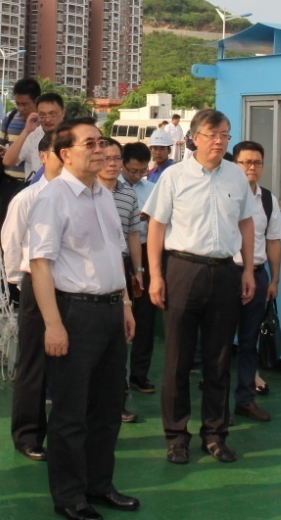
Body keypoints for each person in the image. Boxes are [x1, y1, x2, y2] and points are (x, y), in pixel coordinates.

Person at [29, 118, 140, 520]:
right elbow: (40, 264)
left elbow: (114, 253)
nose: (99, 150)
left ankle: (99, 483)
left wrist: (125, 304)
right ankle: (70, 496)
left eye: (100, 142)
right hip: (75, 313)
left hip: (110, 311)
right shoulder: (53, 198)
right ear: (66, 153)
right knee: (70, 413)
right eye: (89, 144)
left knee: (107, 409)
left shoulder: (104, 196)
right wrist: (53, 324)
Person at [143, 109, 256, 465]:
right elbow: (157, 227)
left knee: (219, 359)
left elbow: (247, 223)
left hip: (224, 272)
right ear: (193, 138)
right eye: (212, 134)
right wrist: (156, 275)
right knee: (177, 359)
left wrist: (248, 270)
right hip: (183, 270)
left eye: (224, 135)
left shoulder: (236, 176)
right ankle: (176, 436)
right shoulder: (174, 176)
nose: (219, 141)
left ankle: (215, 434)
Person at [5, 132, 62, 461]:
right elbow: (11, 242)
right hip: (34, 283)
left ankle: (64, 433)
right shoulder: (28, 197)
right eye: (58, 152)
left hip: (70, 287)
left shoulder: (80, 196)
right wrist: (19, 283)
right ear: (43, 156)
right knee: (34, 364)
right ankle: (28, 434)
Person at [229, 141, 281, 423]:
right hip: (227, 274)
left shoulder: (268, 200)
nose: (252, 167)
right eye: (245, 162)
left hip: (258, 276)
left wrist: (275, 280)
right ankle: (216, 405)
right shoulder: (225, 194)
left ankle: (245, 399)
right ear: (234, 164)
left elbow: (273, 241)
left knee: (250, 341)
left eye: (257, 162)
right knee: (219, 341)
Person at [96, 137, 144, 424]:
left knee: (121, 336)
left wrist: (138, 271)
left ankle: (118, 399)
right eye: (106, 158)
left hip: (122, 267)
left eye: (116, 159)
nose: (112, 164)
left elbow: (134, 234)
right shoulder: (88, 193)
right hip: (94, 269)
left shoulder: (129, 195)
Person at [121, 142, 157, 394]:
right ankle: (117, 377)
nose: (136, 176)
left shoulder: (152, 190)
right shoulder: (110, 188)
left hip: (146, 250)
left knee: (145, 315)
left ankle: (139, 374)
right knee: (119, 315)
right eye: (132, 170)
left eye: (141, 171)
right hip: (118, 252)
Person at [0, 77, 42, 226]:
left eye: (25, 104)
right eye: (18, 104)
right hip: (9, 183)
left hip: (33, 184)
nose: (21, 108)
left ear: (37, 100)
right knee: (6, 228)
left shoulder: (45, 123)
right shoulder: (11, 117)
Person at [4, 91, 65, 182]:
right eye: (42, 115)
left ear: (63, 113)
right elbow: (7, 161)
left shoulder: (73, 136)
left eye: (52, 114)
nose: (47, 119)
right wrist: (26, 131)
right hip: (35, 188)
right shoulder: (32, 135)